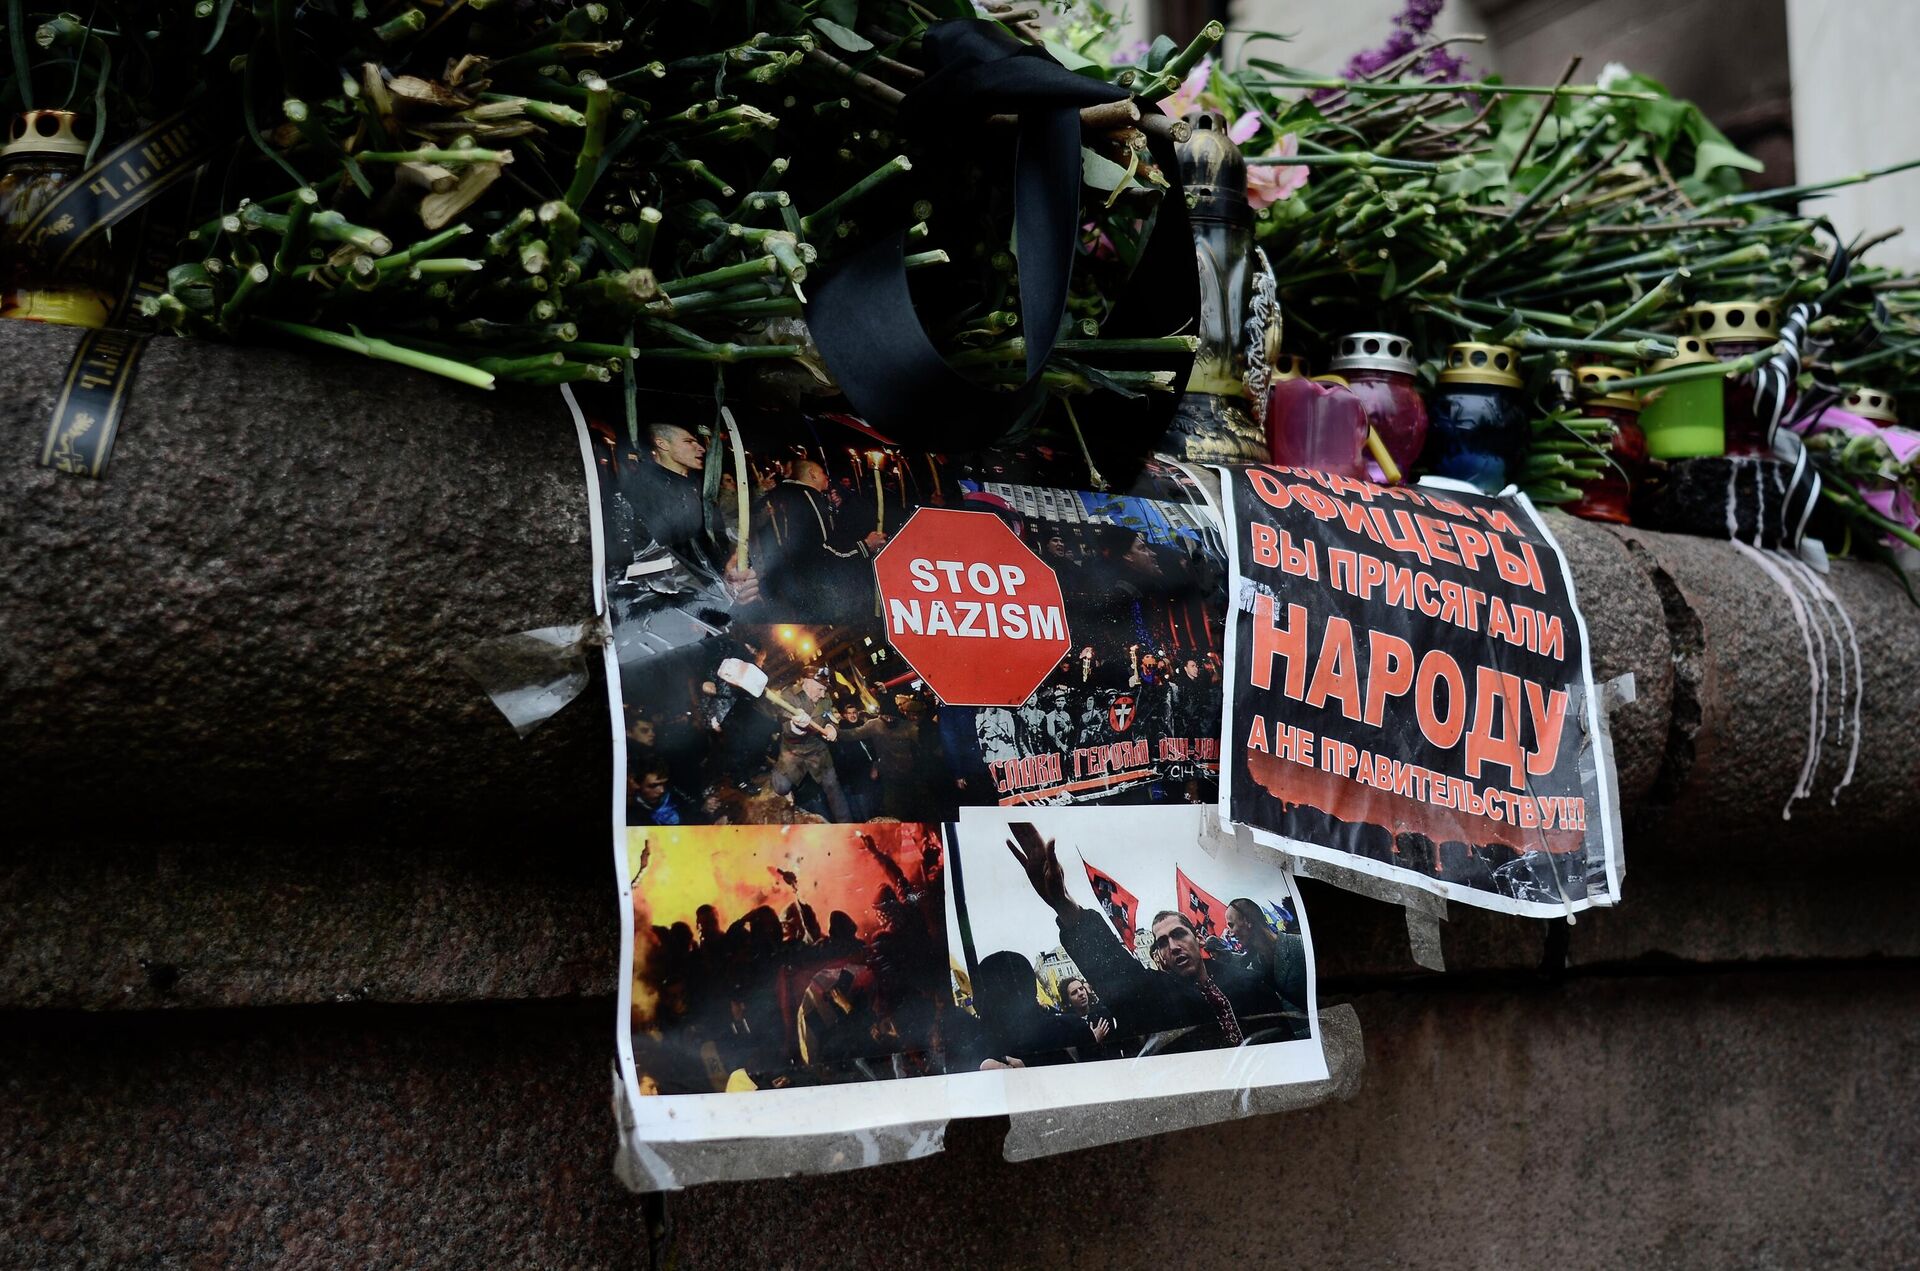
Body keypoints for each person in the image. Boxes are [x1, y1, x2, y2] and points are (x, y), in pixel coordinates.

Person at [1004, 823, 1291, 1050]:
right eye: (1162, 942)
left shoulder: (1249, 982)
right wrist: (1063, 905)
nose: (1173, 946)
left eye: (1179, 934)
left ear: (1197, 938)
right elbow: (1112, 968)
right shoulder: (1156, 996)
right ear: (1160, 956)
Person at [619, 422, 759, 602]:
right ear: (662, 444)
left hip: (716, 597)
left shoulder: (698, 488)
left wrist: (732, 562)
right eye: (689, 442)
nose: (700, 448)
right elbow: (643, 561)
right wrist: (704, 595)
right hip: (680, 604)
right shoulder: (641, 491)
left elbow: (717, 536)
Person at [755, 458, 883, 618]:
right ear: (812, 474)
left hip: (798, 583)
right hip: (817, 588)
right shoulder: (808, 497)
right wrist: (865, 545)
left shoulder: (791, 495)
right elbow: (823, 553)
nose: (826, 477)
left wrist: (830, 509)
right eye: (822, 473)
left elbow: (811, 535)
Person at [769, 672, 851, 821]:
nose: (823, 694)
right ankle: (777, 773)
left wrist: (831, 727)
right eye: (820, 689)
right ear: (807, 682)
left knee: (833, 786)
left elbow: (831, 716)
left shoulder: (825, 698)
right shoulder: (789, 695)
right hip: (793, 749)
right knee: (781, 787)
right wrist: (796, 725)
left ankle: (847, 826)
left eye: (825, 689)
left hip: (816, 748)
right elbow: (785, 727)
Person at [1227, 897, 1310, 1016]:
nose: (1230, 933)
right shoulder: (1253, 970)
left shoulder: (1301, 946)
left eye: (1231, 925)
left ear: (1248, 921)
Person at [631, 759, 701, 827]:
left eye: (664, 783)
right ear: (636, 784)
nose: (662, 790)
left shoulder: (678, 797)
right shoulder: (629, 810)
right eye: (653, 786)